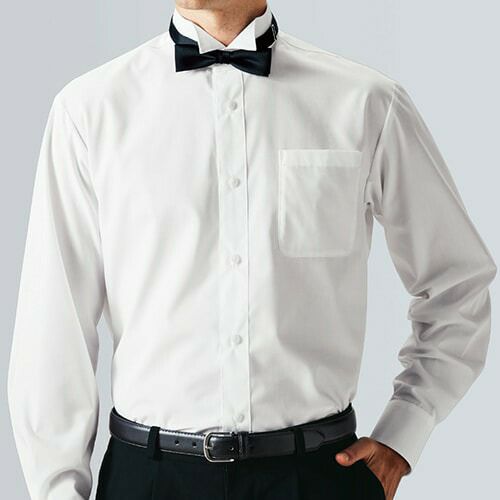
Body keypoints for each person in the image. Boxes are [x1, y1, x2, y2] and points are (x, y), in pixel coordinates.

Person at [8, 1, 496, 499]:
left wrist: (404, 432)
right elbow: (53, 328)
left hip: (316, 477)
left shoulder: (365, 102)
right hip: (149, 480)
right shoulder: (89, 111)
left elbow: (458, 284)